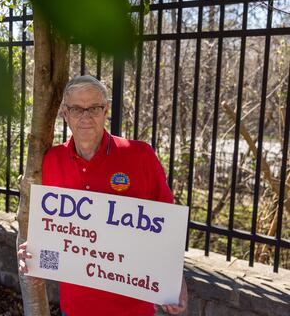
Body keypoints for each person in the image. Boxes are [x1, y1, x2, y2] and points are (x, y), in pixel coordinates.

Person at [18, 75, 187, 316]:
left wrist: (175, 277)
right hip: (75, 308)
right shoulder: (51, 161)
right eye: (77, 109)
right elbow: (56, 232)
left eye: (94, 108)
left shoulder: (140, 156)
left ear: (106, 110)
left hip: (133, 309)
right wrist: (36, 255)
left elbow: (166, 225)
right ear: (65, 113)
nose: (85, 117)